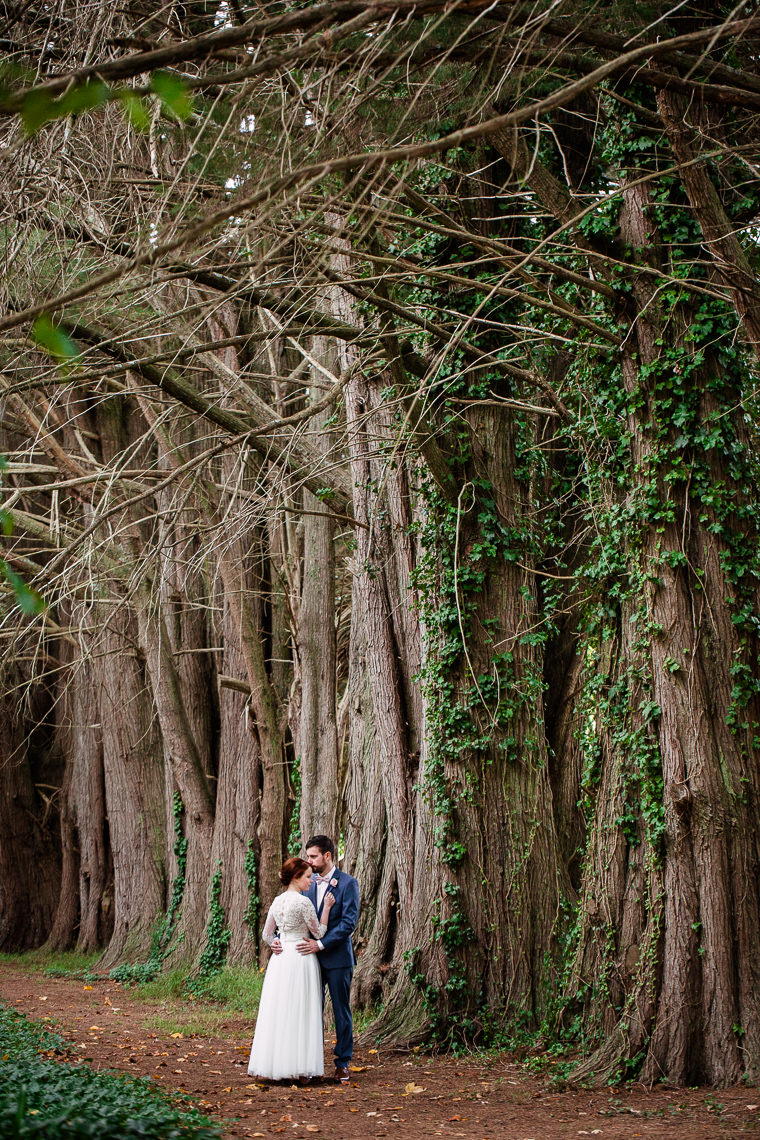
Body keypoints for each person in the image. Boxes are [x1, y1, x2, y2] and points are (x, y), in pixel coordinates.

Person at [248, 856, 335, 1082]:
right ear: (296, 877)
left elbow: (267, 934)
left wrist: (275, 942)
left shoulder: (277, 901)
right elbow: (319, 933)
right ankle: (299, 1067)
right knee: (300, 1010)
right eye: (307, 877)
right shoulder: (303, 902)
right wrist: (326, 907)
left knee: (280, 1010)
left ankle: (276, 1065)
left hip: (281, 959)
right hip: (300, 958)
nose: (311, 881)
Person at [297, 835, 360, 1084]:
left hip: (337, 959)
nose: (309, 861)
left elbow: (348, 923)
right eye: (308, 856)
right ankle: (310, 1064)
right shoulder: (307, 883)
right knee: (312, 1011)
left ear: (328, 856)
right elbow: (299, 915)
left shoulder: (347, 884)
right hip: (309, 960)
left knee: (340, 1010)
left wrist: (321, 944)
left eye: (313, 856)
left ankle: (342, 1062)